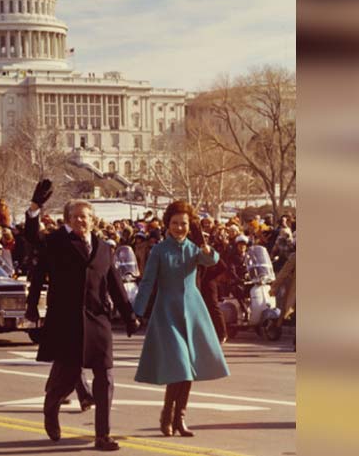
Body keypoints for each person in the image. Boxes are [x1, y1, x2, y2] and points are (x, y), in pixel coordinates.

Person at [24, 179, 139, 452]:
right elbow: (31, 236)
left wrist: (129, 315)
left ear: (93, 220)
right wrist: (35, 207)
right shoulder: (56, 242)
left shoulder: (103, 248)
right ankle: (51, 408)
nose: (80, 221)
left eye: (85, 217)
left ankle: (103, 435)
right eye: (75, 217)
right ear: (67, 220)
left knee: (105, 377)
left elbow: (115, 284)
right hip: (67, 321)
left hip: (98, 319)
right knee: (66, 377)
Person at [133, 200, 230, 438]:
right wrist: (135, 312)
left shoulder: (193, 248)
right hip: (167, 312)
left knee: (189, 368)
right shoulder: (159, 250)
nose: (179, 228)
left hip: (193, 310)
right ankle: (167, 414)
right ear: (168, 225)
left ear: (190, 225)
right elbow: (147, 282)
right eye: (175, 223)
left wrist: (210, 252)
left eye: (184, 224)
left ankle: (180, 418)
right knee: (180, 366)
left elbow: (212, 261)